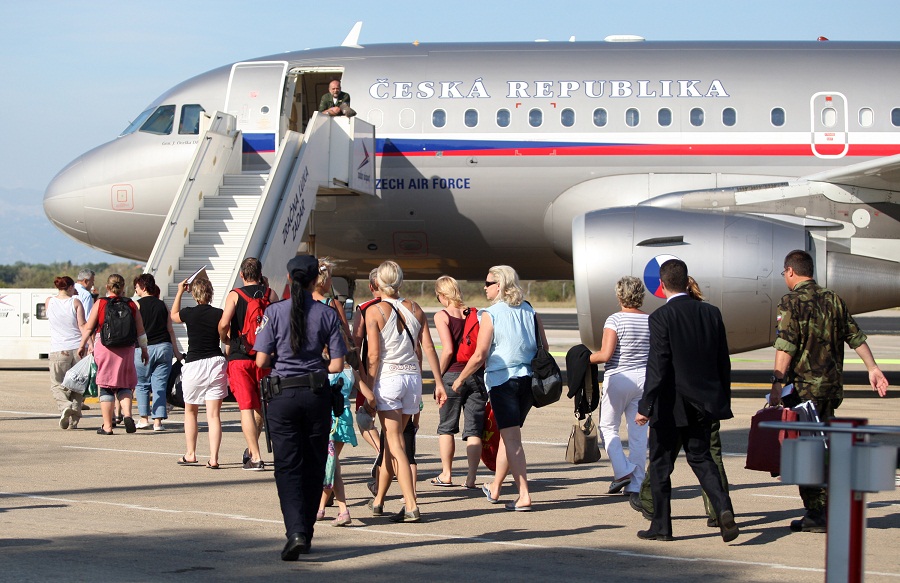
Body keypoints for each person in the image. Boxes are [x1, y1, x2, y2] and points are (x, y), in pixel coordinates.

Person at [769, 249, 889, 533]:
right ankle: (830, 507)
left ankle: (816, 514)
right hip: (830, 390)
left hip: (803, 392)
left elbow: (786, 345)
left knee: (805, 450)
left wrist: (776, 383)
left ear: (790, 272)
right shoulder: (834, 299)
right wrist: (872, 367)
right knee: (824, 447)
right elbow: (855, 337)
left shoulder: (791, 302)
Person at [634, 259, 739, 542]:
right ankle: (724, 509)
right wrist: (721, 399)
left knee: (660, 465)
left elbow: (659, 365)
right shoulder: (711, 313)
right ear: (686, 280)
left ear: (661, 284)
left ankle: (662, 526)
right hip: (704, 403)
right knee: (702, 459)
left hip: (671, 405)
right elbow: (722, 361)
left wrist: (646, 405)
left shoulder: (660, 317)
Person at [253, 255, 347, 560]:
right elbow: (336, 363)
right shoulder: (327, 314)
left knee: (287, 466)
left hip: (282, 397)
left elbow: (261, 361)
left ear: (290, 278)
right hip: (316, 393)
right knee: (314, 462)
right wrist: (313, 364)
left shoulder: (273, 312)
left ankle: (295, 531)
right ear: (313, 281)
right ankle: (305, 530)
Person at [452, 265, 546, 512]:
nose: (485, 287)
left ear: (500, 285)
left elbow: (480, 354)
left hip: (503, 381)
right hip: (527, 381)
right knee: (508, 435)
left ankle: (523, 494)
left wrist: (460, 379)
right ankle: (495, 487)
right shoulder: (530, 310)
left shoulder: (490, 314)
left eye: (488, 283)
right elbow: (543, 346)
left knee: (512, 439)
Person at [365, 260, 446, 523]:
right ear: (400, 281)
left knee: (396, 443)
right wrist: (439, 383)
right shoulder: (415, 308)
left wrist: (368, 387)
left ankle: (411, 505)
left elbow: (374, 356)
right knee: (391, 443)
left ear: (378, 282)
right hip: (412, 378)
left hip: (389, 378)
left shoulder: (374, 311)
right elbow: (429, 349)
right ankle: (378, 500)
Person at [589, 276, 650, 496]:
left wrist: (586, 359)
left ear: (619, 295)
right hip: (644, 379)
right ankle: (637, 483)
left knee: (607, 427)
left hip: (619, 378)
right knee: (638, 433)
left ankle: (622, 468)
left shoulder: (614, 320)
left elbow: (606, 355)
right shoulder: (650, 320)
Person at [218, 257, 279, 470]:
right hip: (264, 357)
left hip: (240, 357)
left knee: (245, 407)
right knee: (263, 406)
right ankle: (262, 449)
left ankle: (256, 456)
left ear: (242, 275)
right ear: (260, 274)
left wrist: (225, 338)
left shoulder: (235, 295)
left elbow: (225, 322)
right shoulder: (270, 294)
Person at [432, 275, 487, 489]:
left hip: (453, 375)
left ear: (443, 295)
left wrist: (439, 375)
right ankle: (471, 478)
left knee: (446, 427)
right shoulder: (473, 314)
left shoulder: (442, 316)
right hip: (476, 375)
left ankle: (446, 474)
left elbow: (448, 350)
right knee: (474, 430)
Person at [77, 274, 149, 435]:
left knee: (106, 387)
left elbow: (89, 328)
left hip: (105, 348)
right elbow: (141, 331)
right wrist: (144, 350)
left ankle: (107, 426)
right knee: (124, 384)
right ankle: (128, 415)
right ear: (123, 287)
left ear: (107, 287)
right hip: (127, 349)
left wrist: (82, 345)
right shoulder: (131, 304)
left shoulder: (101, 303)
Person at [171, 277, 227, 469]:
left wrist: (179, 291)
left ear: (194, 294)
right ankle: (213, 458)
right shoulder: (219, 313)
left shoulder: (189, 313)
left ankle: (191, 453)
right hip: (215, 362)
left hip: (194, 364)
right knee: (214, 415)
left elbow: (173, 315)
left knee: (191, 411)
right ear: (210, 293)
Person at [133, 274, 181, 431]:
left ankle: (143, 418)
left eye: (137, 287)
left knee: (142, 384)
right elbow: (170, 330)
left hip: (144, 348)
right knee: (159, 385)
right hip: (164, 347)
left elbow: (136, 330)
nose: (135, 289)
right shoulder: (162, 305)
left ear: (143, 287)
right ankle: (158, 422)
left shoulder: (137, 306)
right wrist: (176, 352)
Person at [316, 366, 357, 527]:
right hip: (345, 419)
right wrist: (367, 408)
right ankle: (320, 508)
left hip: (329, 421)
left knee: (332, 467)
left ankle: (343, 510)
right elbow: (370, 395)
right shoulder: (351, 371)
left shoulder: (323, 370)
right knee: (332, 465)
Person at [47, 276, 89, 430]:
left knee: (57, 384)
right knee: (78, 385)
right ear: (70, 287)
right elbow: (83, 325)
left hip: (59, 349)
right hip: (78, 348)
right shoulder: (75, 302)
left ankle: (65, 405)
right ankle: (74, 421)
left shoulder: (49, 301)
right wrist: (89, 344)